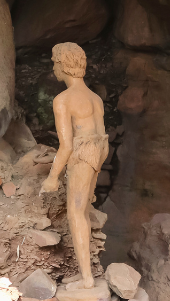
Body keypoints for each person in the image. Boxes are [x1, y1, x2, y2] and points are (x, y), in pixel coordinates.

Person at [41, 43, 109, 289]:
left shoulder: (64, 100)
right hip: (96, 154)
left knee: (75, 213)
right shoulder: (95, 98)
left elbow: (66, 146)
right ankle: (85, 273)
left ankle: (87, 279)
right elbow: (104, 140)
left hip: (81, 155)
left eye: (54, 62)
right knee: (83, 213)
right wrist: (97, 167)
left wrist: (52, 176)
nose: (53, 67)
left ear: (62, 64)